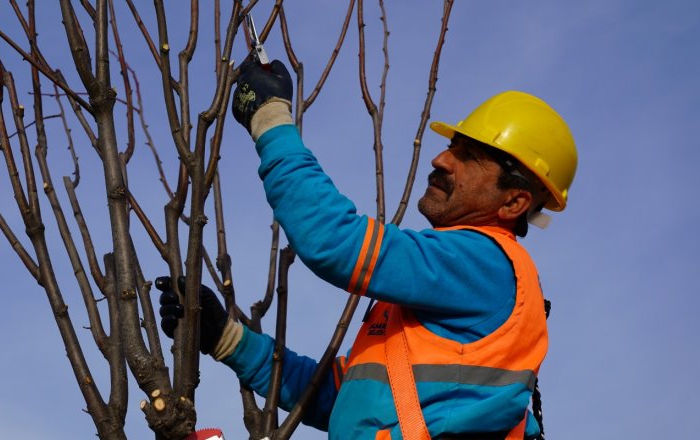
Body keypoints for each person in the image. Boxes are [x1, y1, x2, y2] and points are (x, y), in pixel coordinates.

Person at [157, 59, 577, 439]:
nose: (441, 160)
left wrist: (270, 118)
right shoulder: (438, 296)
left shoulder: (484, 262)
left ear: (514, 202)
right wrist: (228, 338)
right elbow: (339, 399)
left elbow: (333, 240)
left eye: (468, 156)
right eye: (452, 146)